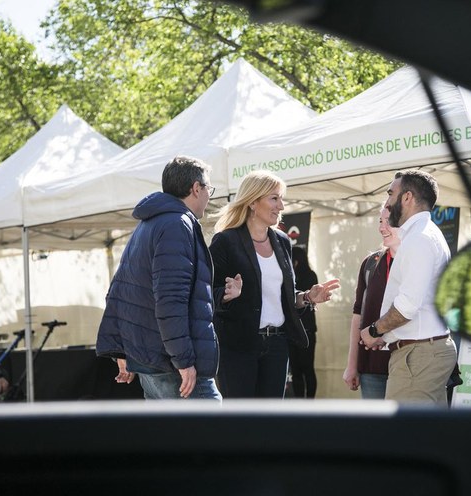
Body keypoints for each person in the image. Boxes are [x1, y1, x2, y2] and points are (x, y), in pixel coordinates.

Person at [96, 155, 222, 401]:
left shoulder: (149, 224)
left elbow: (121, 290)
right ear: (196, 188)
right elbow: (169, 301)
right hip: (172, 365)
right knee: (214, 436)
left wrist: (121, 350)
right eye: (208, 188)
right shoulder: (176, 224)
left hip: (152, 360)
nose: (209, 195)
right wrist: (184, 361)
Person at [209, 170, 340, 398]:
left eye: (281, 198)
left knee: (271, 422)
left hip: (277, 345)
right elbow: (206, 292)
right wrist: (227, 293)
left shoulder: (282, 241)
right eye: (274, 198)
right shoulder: (225, 241)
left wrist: (308, 296)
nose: (281, 206)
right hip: (238, 346)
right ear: (252, 202)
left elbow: (284, 296)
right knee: (241, 421)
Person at [360, 170, 456, 404]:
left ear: (407, 197)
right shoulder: (421, 235)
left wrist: (374, 330)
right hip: (422, 352)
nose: (388, 202)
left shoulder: (419, 238)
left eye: (391, 194)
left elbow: (407, 307)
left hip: (419, 356)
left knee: (405, 436)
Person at [343, 206, 398, 399]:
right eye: (380, 221)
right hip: (372, 367)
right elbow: (358, 315)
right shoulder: (370, 263)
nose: (382, 227)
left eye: (388, 221)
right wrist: (352, 365)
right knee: (376, 429)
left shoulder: (414, 260)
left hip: (407, 366)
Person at [288, 246, 319, 398]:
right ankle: (301, 402)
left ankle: (309, 402)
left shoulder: (309, 276)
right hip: (294, 330)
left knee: (306, 368)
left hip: (306, 329)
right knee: (297, 370)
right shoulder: (291, 277)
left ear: (296, 261)